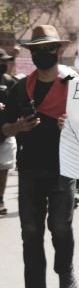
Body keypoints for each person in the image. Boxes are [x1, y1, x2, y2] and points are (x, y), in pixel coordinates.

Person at [1, 26, 79, 288]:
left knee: (59, 226)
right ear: (31, 53)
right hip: (29, 169)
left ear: (59, 50)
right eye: (38, 49)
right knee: (30, 232)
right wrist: (18, 127)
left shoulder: (76, 84)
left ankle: (65, 268)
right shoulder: (21, 86)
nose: (44, 53)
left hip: (64, 168)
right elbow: (3, 126)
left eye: (49, 48)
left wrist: (73, 128)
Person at [0, 48, 18, 215]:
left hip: (5, 133)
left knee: (3, 168)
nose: (4, 64)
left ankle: (0, 199)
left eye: (6, 61)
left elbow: (18, 102)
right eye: (1, 61)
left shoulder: (9, 81)